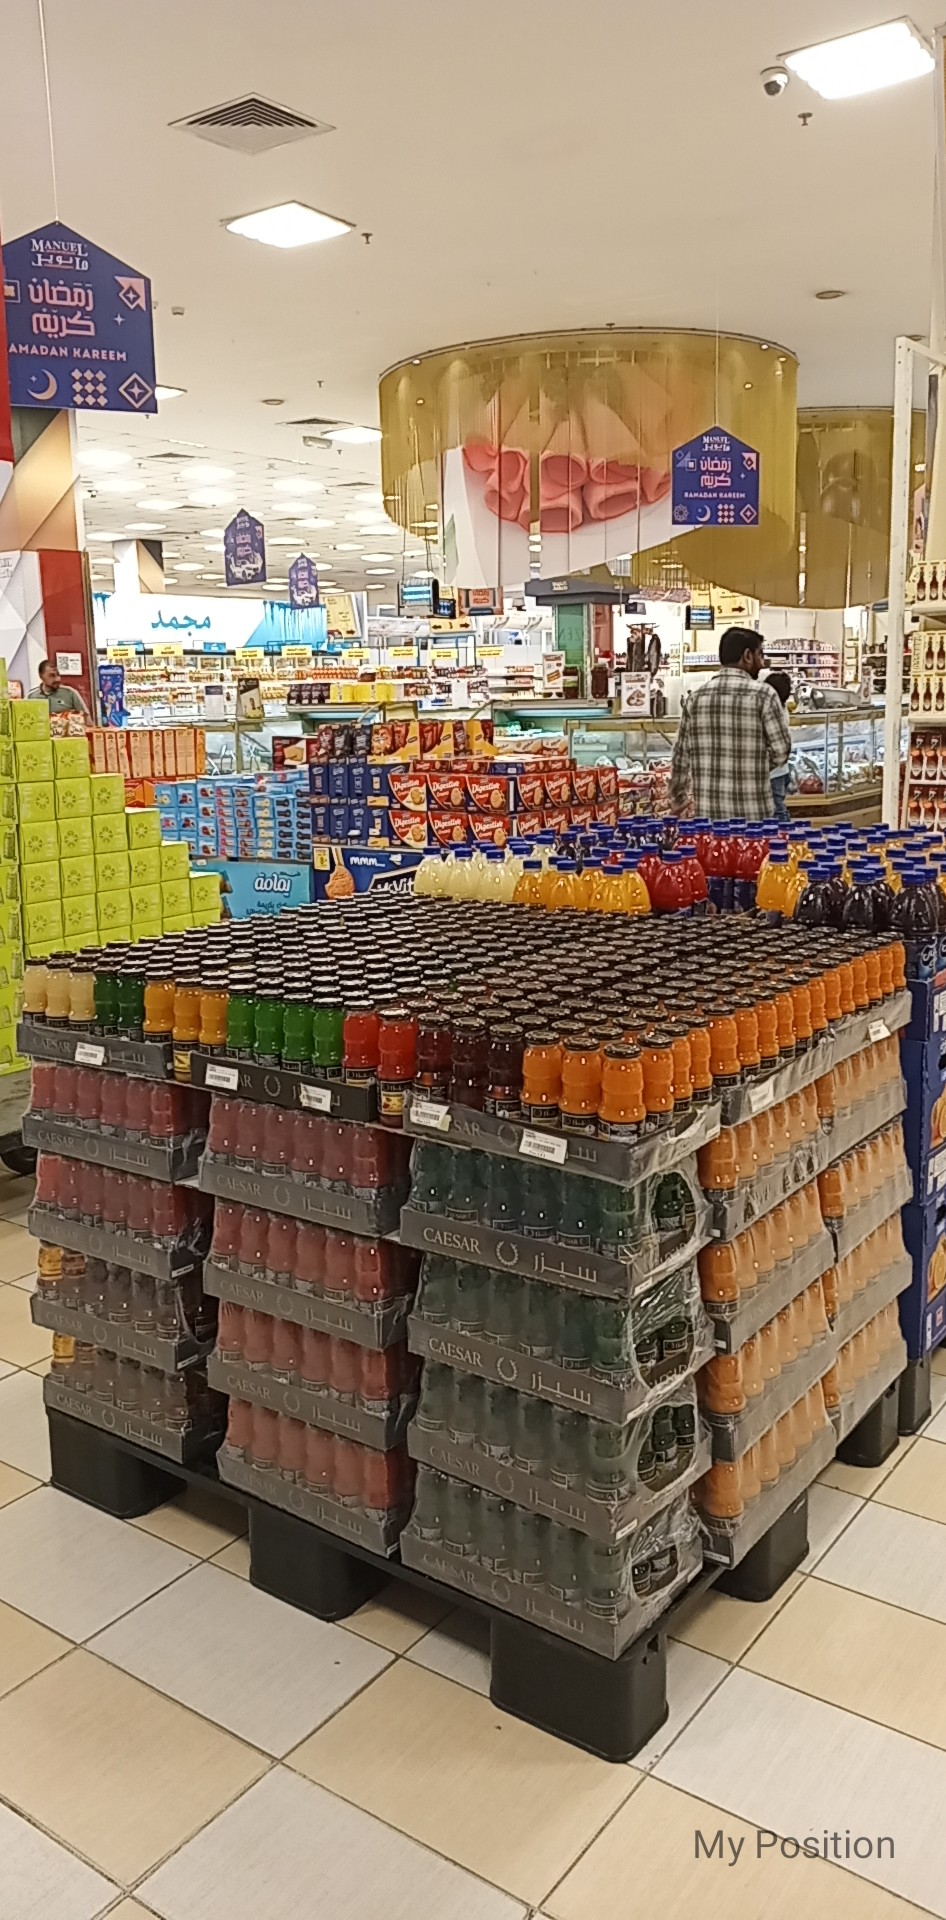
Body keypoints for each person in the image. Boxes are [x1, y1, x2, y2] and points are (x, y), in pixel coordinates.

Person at [669, 626, 790, 822]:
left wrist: (678, 798)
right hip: (754, 815)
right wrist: (752, 767)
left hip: (708, 815)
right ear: (747, 656)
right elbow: (781, 750)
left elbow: (680, 756)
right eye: (760, 655)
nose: (762, 663)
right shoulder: (765, 695)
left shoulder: (696, 698)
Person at [764, 670, 794, 820]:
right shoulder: (782, 708)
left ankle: (784, 831)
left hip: (773, 772)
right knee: (778, 806)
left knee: (777, 810)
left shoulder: (774, 712)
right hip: (781, 770)